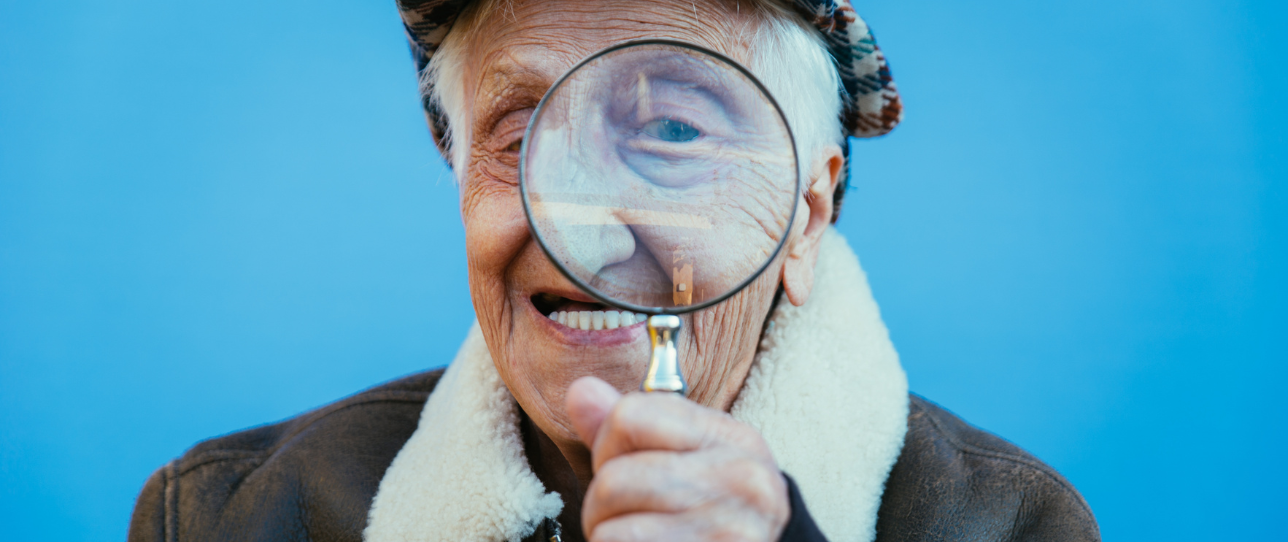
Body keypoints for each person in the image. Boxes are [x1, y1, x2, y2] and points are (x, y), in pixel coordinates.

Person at [128, 1, 1099, 541]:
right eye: (519, 135)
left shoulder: (1010, 524)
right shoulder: (228, 517)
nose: (583, 236)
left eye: (673, 129)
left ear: (804, 217)